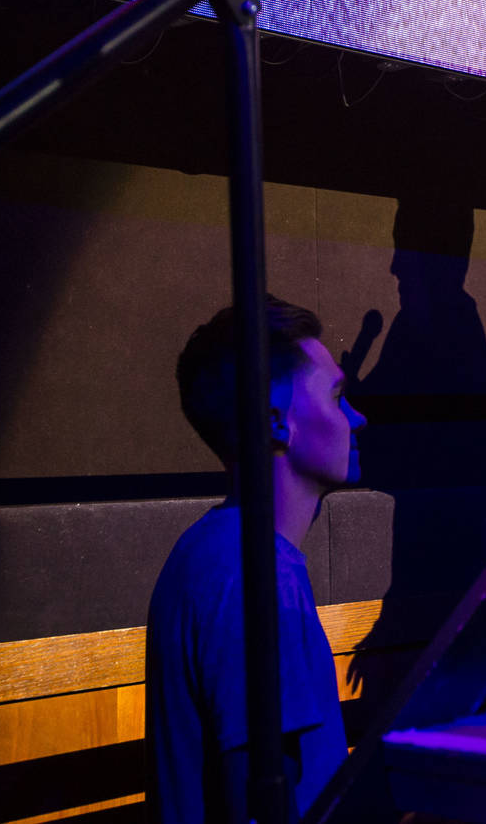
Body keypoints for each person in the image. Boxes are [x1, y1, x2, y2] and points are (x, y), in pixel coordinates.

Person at [146, 295, 367, 823]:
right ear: (274, 421)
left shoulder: (221, 553)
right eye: (337, 396)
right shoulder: (253, 574)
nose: (358, 417)